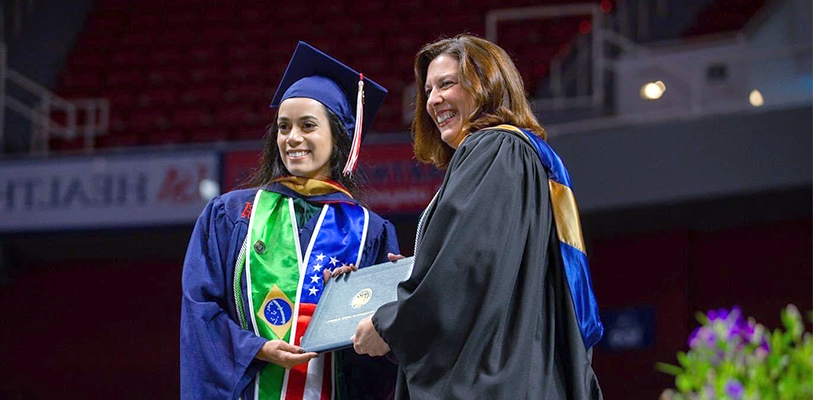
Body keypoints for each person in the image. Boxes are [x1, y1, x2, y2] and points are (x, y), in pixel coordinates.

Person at [351, 34, 605, 399]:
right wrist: (422, 266)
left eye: (447, 84)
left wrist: (390, 324)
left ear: (486, 84)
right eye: (428, 90)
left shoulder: (494, 150)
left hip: (495, 377)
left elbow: (466, 267)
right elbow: (490, 266)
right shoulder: (519, 155)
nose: (433, 100)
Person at [180, 42, 399, 400]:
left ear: (338, 136)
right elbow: (199, 311)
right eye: (283, 127)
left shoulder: (370, 231)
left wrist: (354, 307)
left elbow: (382, 349)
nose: (293, 138)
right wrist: (257, 348)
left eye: (308, 126)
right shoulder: (232, 215)